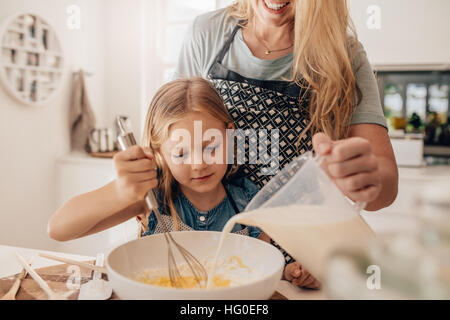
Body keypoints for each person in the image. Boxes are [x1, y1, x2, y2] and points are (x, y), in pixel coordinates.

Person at [172, 0, 398, 288]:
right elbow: (172, 133)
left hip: (302, 264)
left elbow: (386, 186)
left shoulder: (344, 54)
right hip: (215, 250)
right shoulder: (207, 33)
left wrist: (362, 179)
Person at [47, 77, 320, 289]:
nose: (199, 163)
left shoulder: (251, 203)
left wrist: (292, 272)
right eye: (181, 153)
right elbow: (59, 229)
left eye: (210, 146)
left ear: (229, 136)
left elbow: (261, 268)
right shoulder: (153, 200)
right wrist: (120, 190)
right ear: (159, 154)